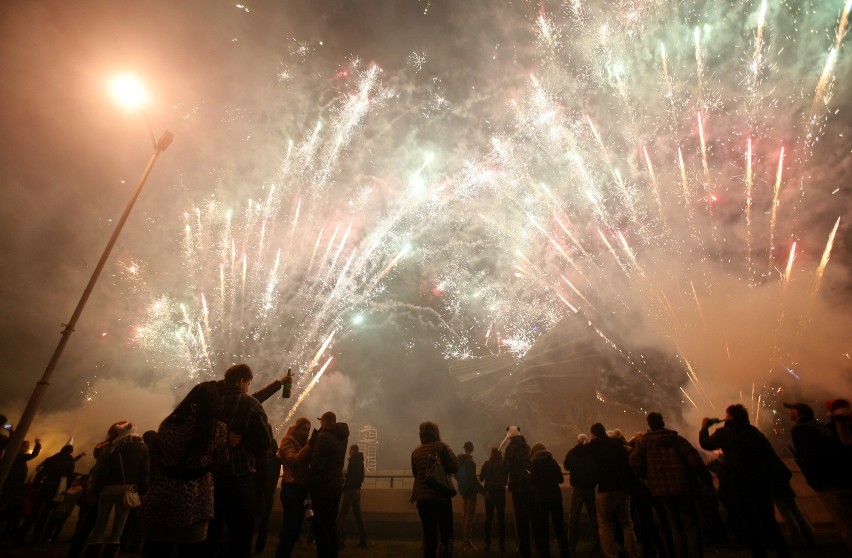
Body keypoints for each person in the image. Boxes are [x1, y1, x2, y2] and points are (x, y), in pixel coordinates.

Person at [141, 382, 229, 558]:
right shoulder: (217, 428)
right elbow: (221, 461)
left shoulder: (169, 422)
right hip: (196, 495)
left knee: (156, 549)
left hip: (163, 490)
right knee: (191, 550)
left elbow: (157, 456)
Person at [699, 404, 790, 558]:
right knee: (769, 521)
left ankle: (759, 553)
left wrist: (704, 428)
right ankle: (783, 552)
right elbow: (769, 454)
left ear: (731, 417)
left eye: (727, 415)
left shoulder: (726, 432)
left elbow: (706, 444)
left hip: (740, 482)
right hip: (761, 481)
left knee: (750, 522)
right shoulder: (754, 432)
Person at [206, 364, 272, 558]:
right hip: (239, 477)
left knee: (209, 535)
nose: (248, 388)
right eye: (248, 384)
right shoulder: (249, 403)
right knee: (240, 538)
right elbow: (264, 442)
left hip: (208, 477)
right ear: (242, 381)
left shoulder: (208, 402)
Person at [630, 411, 710, 558]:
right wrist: (707, 480)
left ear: (649, 425)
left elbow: (634, 461)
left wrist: (645, 474)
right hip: (683, 486)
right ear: (662, 422)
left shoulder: (644, 443)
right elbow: (695, 460)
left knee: (674, 526)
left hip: (660, 490)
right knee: (691, 525)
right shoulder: (677, 439)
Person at [784, 401, 852, 552]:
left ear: (798, 413)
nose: (789, 412)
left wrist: (814, 481)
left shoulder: (800, 430)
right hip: (842, 478)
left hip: (827, 482)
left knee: (844, 523)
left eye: (791, 410)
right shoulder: (821, 426)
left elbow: (808, 457)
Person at [83, 421, 150, 558]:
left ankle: (93, 553)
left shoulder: (111, 448)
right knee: (118, 529)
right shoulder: (142, 447)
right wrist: (143, 492)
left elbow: (100, 471)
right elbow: (144, 473)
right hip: (126, 490)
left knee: (99, 525)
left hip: (107, 490)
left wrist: (94, 491)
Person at [586, 422, 640, 558]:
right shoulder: (620, 448)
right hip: (622, 489)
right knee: (627, 523)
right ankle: (632, 552)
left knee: (604, 525)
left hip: (605, 489)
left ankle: (611, 554)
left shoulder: (597, 448)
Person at [18, 442, 84, 543]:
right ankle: (37, 537)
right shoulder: (69, 462)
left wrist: (36, 486)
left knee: (34, 511)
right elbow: (68, 475)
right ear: (70, 452)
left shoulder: (51, 459)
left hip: (45, 486)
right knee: (45, 514)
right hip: (56, 488)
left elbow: (41, 473)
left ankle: (20, 535)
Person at [411, 421, 459, 558]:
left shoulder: (415, 452)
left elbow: (417, 474)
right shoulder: (442, 447)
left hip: (423, 500)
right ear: (436, 432)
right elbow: (455, 467)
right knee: (446, 535)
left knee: (429, 536)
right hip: (441, 497)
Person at [307, 411, 349, 558]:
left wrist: (310, 485)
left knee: (320, 526)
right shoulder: (342, 437)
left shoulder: (323, 437)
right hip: (336, 487)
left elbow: (317, 463)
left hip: (323, 487)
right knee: (331, 525)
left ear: (324, 421)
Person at [275, 417, 313, 558]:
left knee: (295, 529)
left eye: (308, 430)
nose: (306, 433)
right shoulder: (288, 440)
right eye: (304, 429)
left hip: (300, 489)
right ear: (296, 428)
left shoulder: (304, 443)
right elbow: (292, 459)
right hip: (291, 487)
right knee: (290, 529)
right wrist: (309, 447)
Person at [529, 442, 569, 558]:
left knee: (543, 529)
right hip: (556, 497)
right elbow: (561, 479)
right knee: (559, 527)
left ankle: (545, 554)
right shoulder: (553, 462)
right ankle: (564, 553)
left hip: (541, 499)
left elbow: (532, 481)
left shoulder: (535, 464)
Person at [563, 433, 601, 556]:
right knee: (593, 517)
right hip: (590, 487)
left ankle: (572, 545)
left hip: (577, 488)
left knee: (574, 517)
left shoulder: (573, 452)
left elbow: (566, 466)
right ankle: (595, 544)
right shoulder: (592, 453)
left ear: (577, 441)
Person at [501, 426, 535, 558]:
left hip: (517, 486)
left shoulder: (510, 448)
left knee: (521, 519)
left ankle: (524, 549)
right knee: (531, 516)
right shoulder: (527, 447)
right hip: (528, 485)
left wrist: (501, 473)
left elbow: (507, 466)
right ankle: (535, 546)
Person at [0, 438, 40, 539]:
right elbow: (33, 455)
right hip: (12, 485)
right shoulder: (18, 456)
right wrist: (38, 445)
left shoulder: (14, 455)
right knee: (6, 506)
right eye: (26, 446)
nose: (27, 448)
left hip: (12, 484)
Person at [337, 444, 367, 549]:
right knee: (358, 516)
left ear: (352, 451)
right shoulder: (360, 462)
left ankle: (340, 541)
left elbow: (351, 478)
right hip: (357, 490)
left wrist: (345, 483)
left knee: (342, 516)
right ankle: (364, 539)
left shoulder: (353, 462)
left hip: (350, 491)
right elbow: (360, 477)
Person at [457, 441, 485, 551]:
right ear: (472, 449)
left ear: (464, 449)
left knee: (464, 516)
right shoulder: (471, 463)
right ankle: (468, 543)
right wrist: (483, 491)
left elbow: (456, 474)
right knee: (469, 517)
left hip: (463, 491)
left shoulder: (459, 461)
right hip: (471, 492)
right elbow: (473, 479)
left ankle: (465, 540)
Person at [479, 447, 507, 553]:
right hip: (500, 493)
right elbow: (506, 480)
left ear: (491, 454)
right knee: (501, 519)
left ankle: (487, 543)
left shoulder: (487, 464)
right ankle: (502, 544)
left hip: (489, 494)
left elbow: (481, 478)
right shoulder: (503, 464)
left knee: (489, 518)